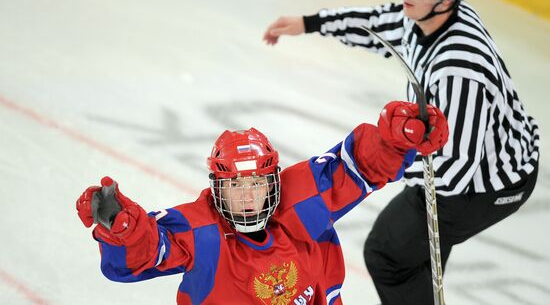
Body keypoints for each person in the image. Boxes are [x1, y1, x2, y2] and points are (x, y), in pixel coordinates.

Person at [263, 0, 540, 304]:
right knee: (411, 251)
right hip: (459, 168)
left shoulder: (459, 68)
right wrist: (310, 23)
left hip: (488, 186)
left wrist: (379, 166)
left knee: (388, 254)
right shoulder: (429, 16)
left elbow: (455, 171)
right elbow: (381, 24)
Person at [76, 101, 448, 304]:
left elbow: (356, 167)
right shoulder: (202, 231)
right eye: (236, 185)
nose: (248, 196)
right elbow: (148, 253)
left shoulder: (302, 201)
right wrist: (124, 230)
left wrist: (395, 142)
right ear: (217, 188)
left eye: (257, 183)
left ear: (273, 180)